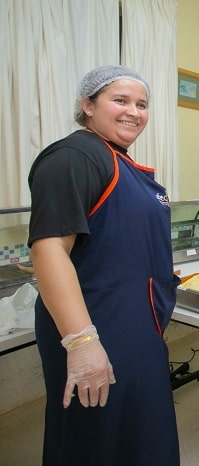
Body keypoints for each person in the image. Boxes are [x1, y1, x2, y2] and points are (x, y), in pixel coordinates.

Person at [27, 65, 180, 465]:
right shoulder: (75, 156)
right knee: (94, 441)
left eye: (142, 104)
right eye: (120, 100)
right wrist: (81, 343)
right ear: (87, 105)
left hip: (133, 326)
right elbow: (48, 250)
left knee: (136, 433)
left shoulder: (118, 161)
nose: (134, 111)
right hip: (98, 329)